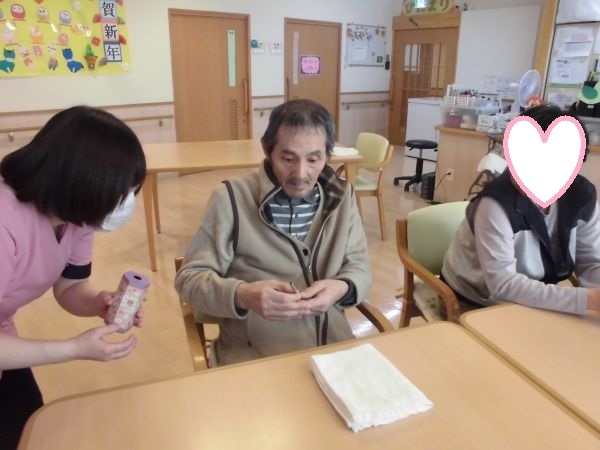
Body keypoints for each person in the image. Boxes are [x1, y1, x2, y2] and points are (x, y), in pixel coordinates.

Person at [175, 98, 372, 366]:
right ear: (267, 150)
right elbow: (189, 281)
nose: (300, 173)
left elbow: (359, 265)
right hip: (255, 358)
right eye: (288, 159)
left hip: (333, 351)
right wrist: (243, 295)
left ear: (327, 155)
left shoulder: (341, 195)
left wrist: (341, 287)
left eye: (314, 159)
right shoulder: (231, 199)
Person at [0, 106, 147, 449]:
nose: (125, 203)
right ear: (81, 181)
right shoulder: (5, 222)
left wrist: (98, 303)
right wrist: (72, 349)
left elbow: (70, 286)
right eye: (120, 192)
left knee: (26, 429)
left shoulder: (77, 216)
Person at [441, 103, 600, 315]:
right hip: (477, 297)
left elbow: (591, 263)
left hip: (532, 291)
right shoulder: (494, 204)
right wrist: (587, 299)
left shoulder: (581, 197)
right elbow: (503, 285)